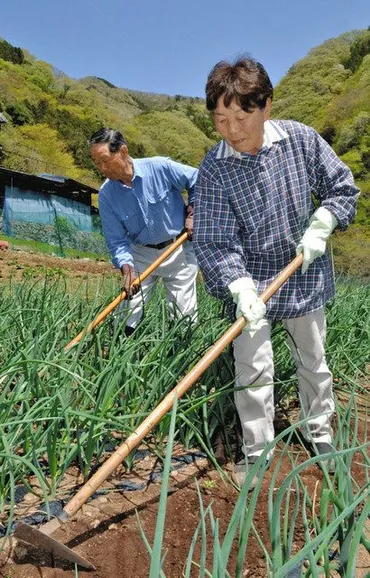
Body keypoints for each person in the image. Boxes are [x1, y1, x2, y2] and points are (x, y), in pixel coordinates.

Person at [192, 57, 360, 488]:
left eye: (242, 116)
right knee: (253, 369)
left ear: (266, 105)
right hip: (251, 282)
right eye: (221, 118)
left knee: (313, 360)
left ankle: (318, 431)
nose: (232, 130)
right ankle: (258, 449)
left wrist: (322, 223)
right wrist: (239, 285)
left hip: (301, 272)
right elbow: (213, 239)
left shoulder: (301, 140)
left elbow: (342, 186)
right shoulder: (214, 167)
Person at [89, 128, 198, 335]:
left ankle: (179, 357)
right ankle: (121, 351)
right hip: (140, 253)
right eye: (96, 163)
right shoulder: (106, 195)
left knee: (184, 316)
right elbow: (116, 241)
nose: (102, 168)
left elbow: (198, 180)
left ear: (122, 151)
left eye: (105, 160)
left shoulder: (159, 167)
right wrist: (126, 268)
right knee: (128, 310)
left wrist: (193, 213)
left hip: (178, 248)